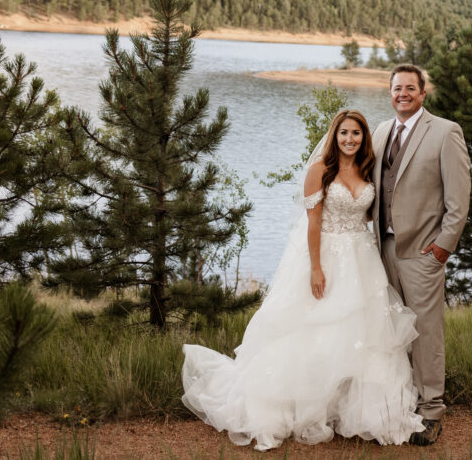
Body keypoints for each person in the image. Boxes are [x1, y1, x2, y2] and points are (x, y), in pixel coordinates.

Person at [181, 109, 423, 451]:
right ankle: (306, 407)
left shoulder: (368, 170)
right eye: (344, 133)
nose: (350, 139)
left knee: (363, 335)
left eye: (356, 133)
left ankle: (354, 409)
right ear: (334, 136)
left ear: (363, 138)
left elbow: (372, 214)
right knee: (316, 331)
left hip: (363, 260)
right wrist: (315, 268)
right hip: (328, 257)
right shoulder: (319, 172)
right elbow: (313, 224)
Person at [373, 64, 471, 446]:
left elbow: (458, 200)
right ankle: (400, 403)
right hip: (381, 248)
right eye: (397, 88)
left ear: (423, 93)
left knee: (426, 333)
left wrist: (442, 247)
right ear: (390, 92)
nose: (403, 94)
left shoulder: (446, 132)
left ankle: (431, 411)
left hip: (422, 254)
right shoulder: (381, 132)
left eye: (410, 88)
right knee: (390, 331)